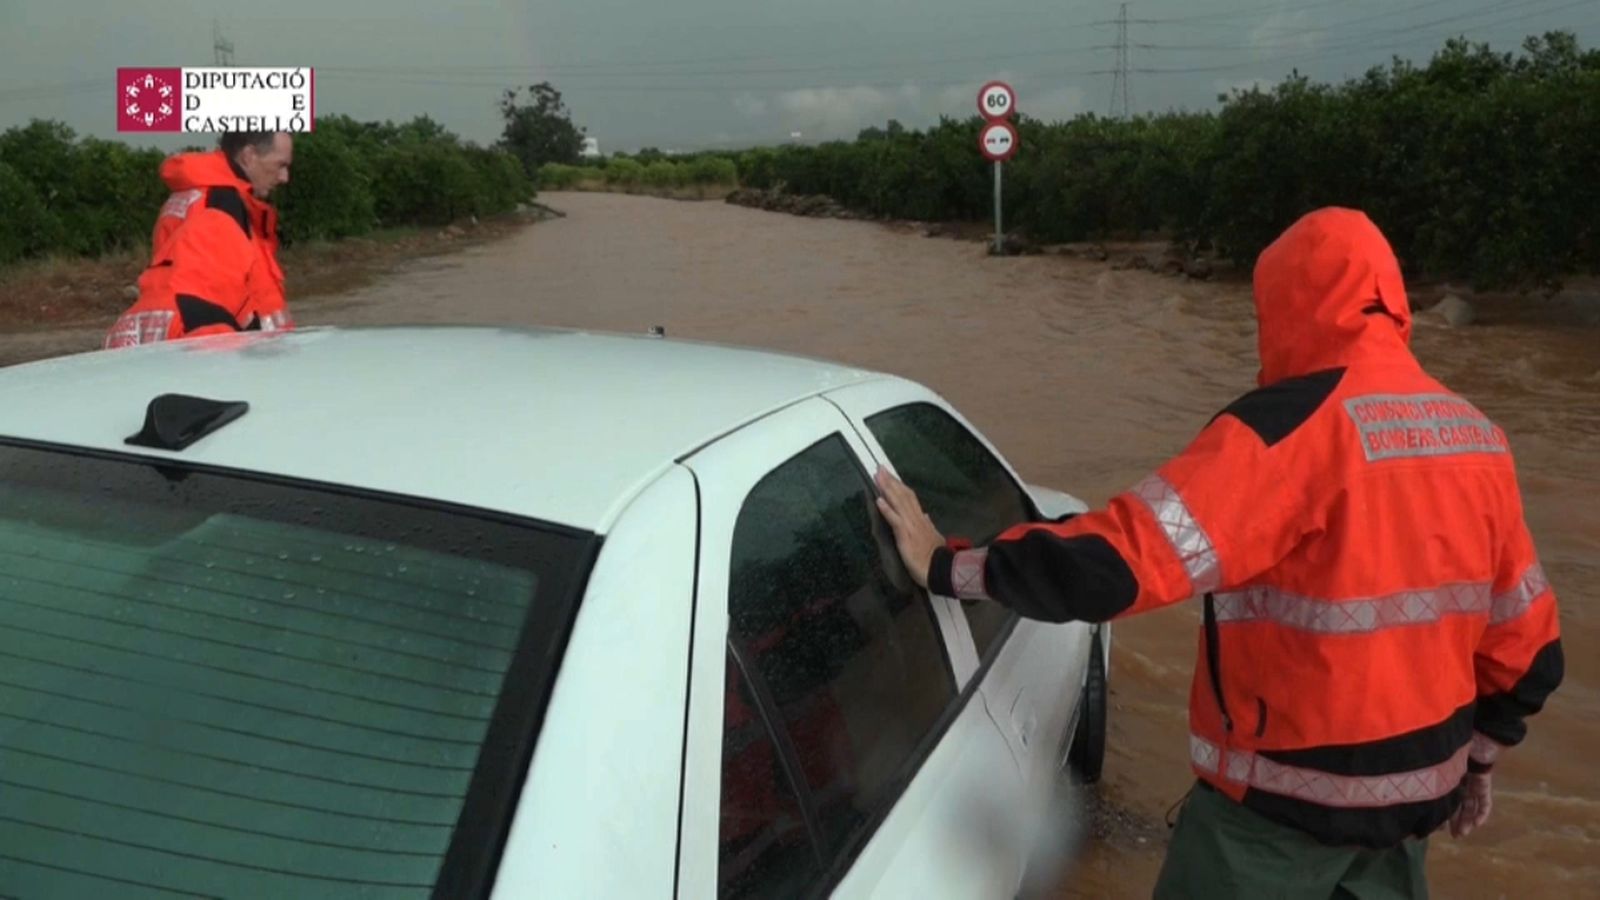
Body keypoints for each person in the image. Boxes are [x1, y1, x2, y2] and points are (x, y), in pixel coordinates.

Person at [873, 207, 1563, 898]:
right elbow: (1531, 647)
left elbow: (1115, 565)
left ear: (1285, 305)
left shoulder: (1286, 430)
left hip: (1278, 822)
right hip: (1418, 806)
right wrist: (1480, 759)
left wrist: (946, 565)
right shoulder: (1476, 436)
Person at [104, 131, 294, 349]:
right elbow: (207, 297)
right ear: (249, 156)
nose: (284, 177)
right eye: (280, 165)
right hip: (215, 345)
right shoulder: (222, 204)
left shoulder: (192, 196)